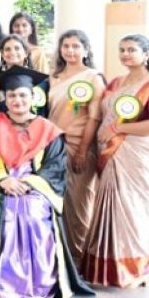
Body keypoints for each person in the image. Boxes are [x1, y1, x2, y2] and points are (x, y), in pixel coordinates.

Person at [0, 66, 95, 298]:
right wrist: (2, 179)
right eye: (12, 95)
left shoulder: (48, 130)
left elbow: (54, 169)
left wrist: (28, 183)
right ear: (5, 98)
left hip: (35, 186)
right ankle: (1, 281)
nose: (17, 100)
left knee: (32, 211)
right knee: (2, 210)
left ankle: (38, 282)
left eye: (22, 95)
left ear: (32, 97)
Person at [81, 34, 149, 287]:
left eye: (132, 50)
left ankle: (135, 270)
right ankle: (106, 271)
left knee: (133, 209)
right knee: (111, 209)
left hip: (136, 156)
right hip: (109, 153)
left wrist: (119, 129)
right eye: (122, 50)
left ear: (146, 54)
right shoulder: (116, 82)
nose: (126, 54)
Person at [47, 30, 105, 261]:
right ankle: (61, 261)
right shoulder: (54, 77)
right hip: (53, 147)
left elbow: (94, 117)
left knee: (79, 205)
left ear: (86, 50)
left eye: (76, 46)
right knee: (57, 203)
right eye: (66, 46)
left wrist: (82, 151)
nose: (70, 51)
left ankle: (79, 261)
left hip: (80, 145)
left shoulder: (93, 77)